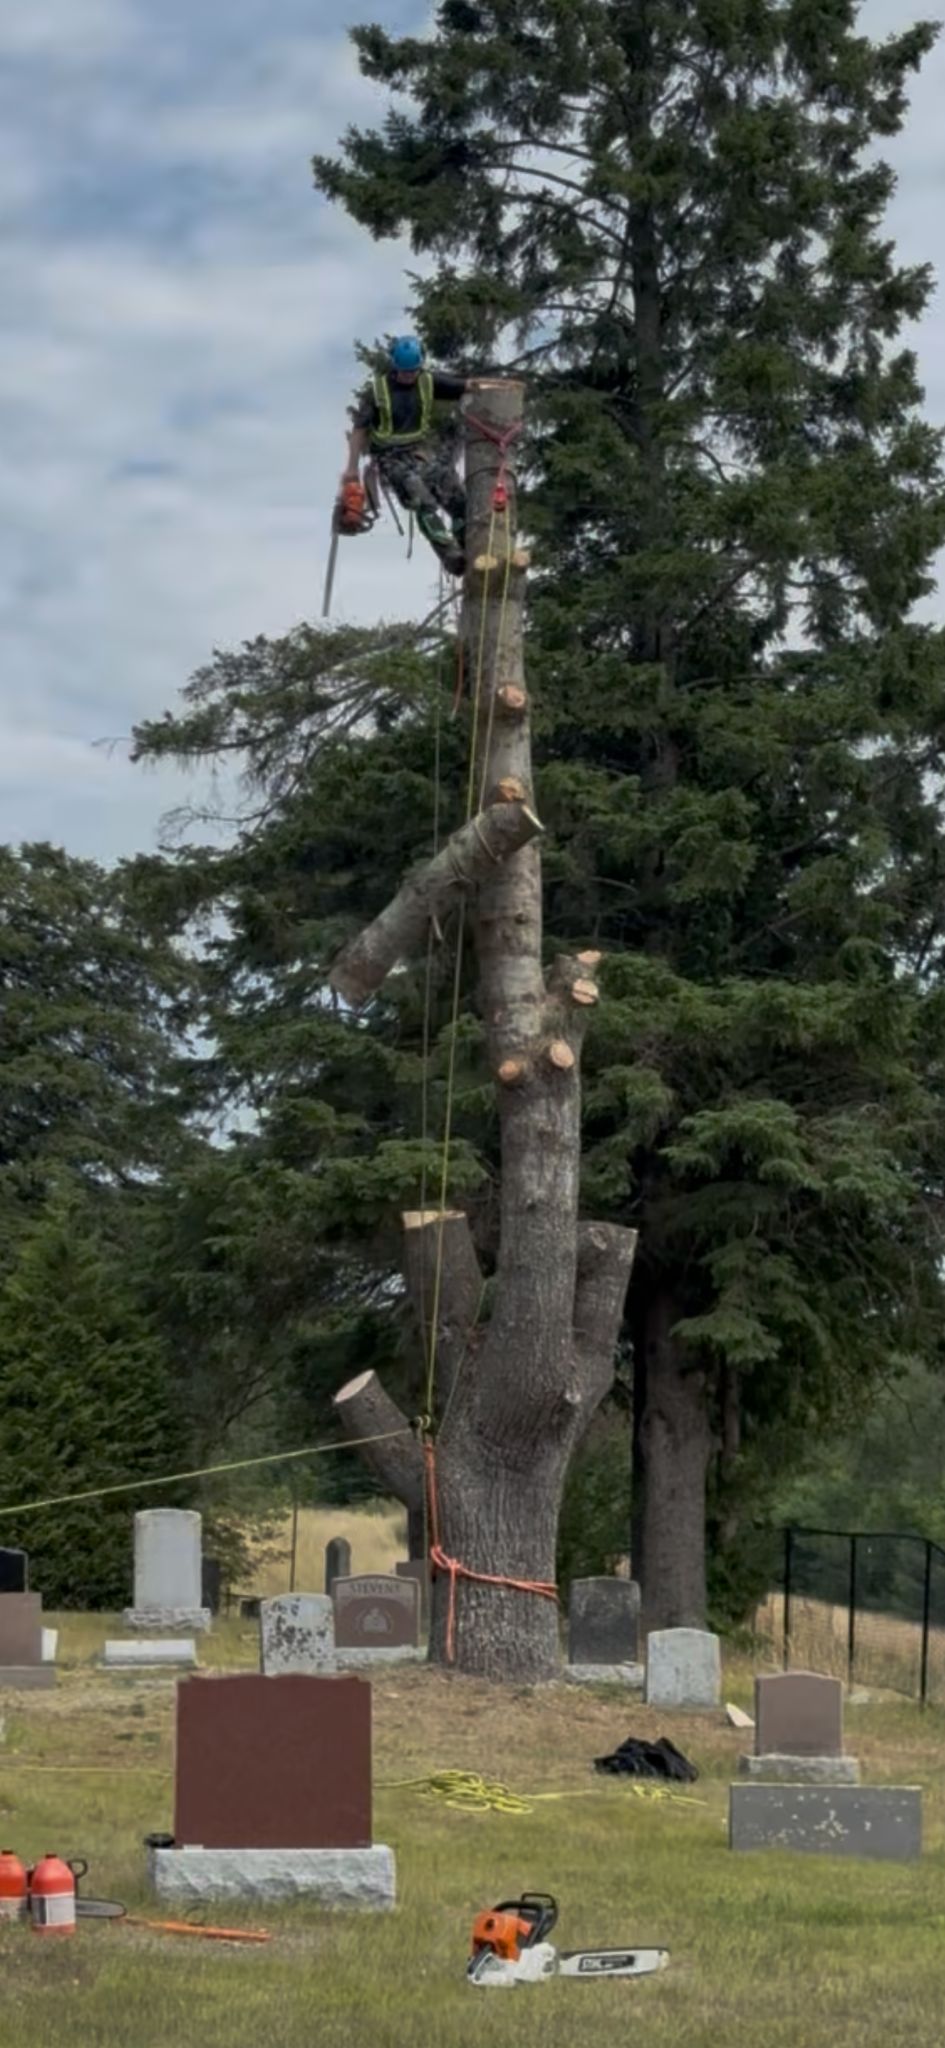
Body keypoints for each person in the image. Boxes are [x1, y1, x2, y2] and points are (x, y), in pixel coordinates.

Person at [343, 337, 471, 575]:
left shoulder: (427, 382)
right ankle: (451, 556)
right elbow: (359, 429)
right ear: (395, 367)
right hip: (390, 459)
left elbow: (466, 385)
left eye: (412, 371)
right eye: (404, 372)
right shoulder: (378, 392)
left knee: (454, 490)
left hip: (418, 453)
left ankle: (469, 541)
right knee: (419, 496)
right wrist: (352, 469)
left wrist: (493, 387)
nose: (408, 376)